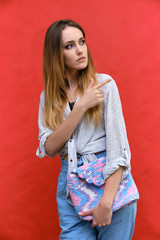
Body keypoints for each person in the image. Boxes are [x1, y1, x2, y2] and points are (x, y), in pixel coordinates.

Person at [36, 19, 137, 240]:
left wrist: (106, 203)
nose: (80, 50)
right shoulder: (48, 97)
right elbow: (50, 148)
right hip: (70, 185)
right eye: (69, 45)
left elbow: (118, 149)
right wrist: (81, 106)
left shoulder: (104, 84)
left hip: (109, 183)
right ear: (56, 54)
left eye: (82, 41)